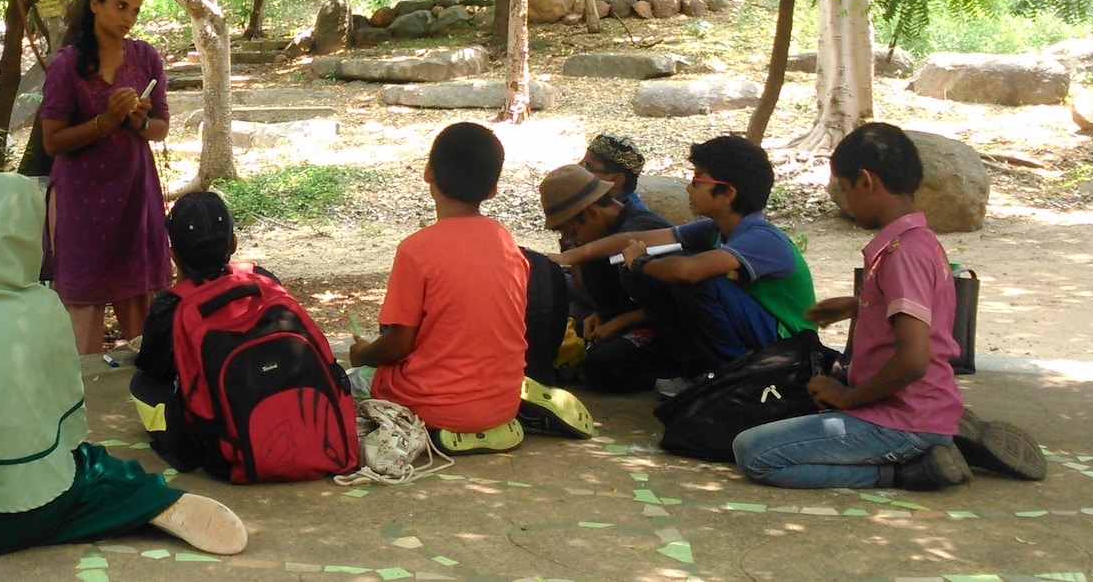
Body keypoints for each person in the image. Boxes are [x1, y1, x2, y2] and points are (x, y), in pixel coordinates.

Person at [0, 173, 247, 558]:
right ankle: (149, 501)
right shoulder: (42, 311)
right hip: (31, 516)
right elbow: (66, 430)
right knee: (93, 466)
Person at [732, 123, 1044, 490]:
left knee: (753, 452)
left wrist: (848, 397)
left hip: (899, 418)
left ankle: (911, 469)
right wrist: (858, 305)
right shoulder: (920, 242)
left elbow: (913, 360)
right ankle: (942, 428)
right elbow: (916, 308)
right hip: (914, 408)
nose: (846, 201)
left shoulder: (902, 255)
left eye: (846, 189)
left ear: (866, 181)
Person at [550, 135, 815, 395]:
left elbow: (688, 272)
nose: (689, 187)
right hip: (751, 330)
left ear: (728, 193)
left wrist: (640, 262)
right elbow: (631, 240)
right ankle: (699, 370)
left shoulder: (763, 238)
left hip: (787, 345)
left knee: (692, 280)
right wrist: (567, 257)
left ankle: (729, 375)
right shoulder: (714, 229)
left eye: (698, 180)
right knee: (650, 274)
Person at [349, 123, 531, 454]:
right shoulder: (506, 242)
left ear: (428, 172)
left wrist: (362, 353)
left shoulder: (416, 250)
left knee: (346, 381)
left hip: (436, 406)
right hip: (503, 405)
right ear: (492, 189)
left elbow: (397, 347)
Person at [40, 0, 172, 355]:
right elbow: (52, 141)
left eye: (135, 10)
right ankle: (82, 404)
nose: (128, 17)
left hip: (134, 191)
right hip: (81, 198)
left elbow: (160, 127)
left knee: (140, 300)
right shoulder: (68, 65)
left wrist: (139, 122)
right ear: (95, 4)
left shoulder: (145, 57)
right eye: (120, 6)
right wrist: (105, 122)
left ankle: (148, 401)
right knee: (83, 304)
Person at [129, 191, 270, 472]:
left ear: (173, 254)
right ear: (233, 242)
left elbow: (154, 368)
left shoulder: (171, 306)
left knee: (141, 383)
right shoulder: (263, 280)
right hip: (272, 394)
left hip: (222, 437)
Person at [538, 163, 680, 393]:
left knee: (600, 367)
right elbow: (593, 294)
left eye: (572, 233)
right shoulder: (597, 236)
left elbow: (672, 305)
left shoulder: (641, 233)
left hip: (664, 326)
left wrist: (617, 322)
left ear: (592, 213)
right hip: (620, 319)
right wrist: (600, 315)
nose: (572, 242)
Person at [581, 133, 648, 214]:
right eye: (581, 164)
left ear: (616, 179)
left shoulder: (634, 220)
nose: (580, 171)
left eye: (588, 168)